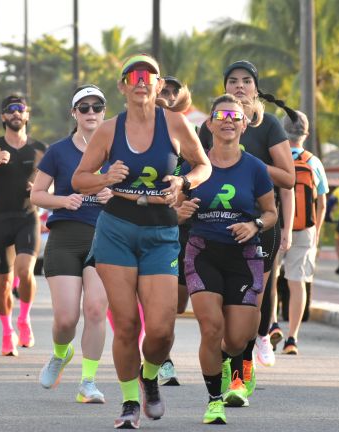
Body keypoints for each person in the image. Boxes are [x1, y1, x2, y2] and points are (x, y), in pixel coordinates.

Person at [72, 53, 211, 429]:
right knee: (128, 324)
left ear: (158, 84)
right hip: (117, 228)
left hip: (161, 232)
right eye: (132, 75)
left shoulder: (176, 123)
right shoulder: (108, 131)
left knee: (162, 328)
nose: (140, 80)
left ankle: (149, 375)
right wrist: (105, 177)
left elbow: (203, 165)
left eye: (148, 75)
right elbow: (79, 179)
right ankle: (130, 403)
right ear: (122, 85)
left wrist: (184, 181)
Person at [198, 60, 295, 392]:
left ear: (256, 88)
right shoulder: (211, 126)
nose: (240, 86)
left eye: (246, 81)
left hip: (259, 223)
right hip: (214, 228)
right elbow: (197, 169)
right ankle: (231, 370)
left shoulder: (267, 125)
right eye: (233, 81)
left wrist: (248, 170)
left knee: (254, 299)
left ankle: (245, 367)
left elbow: (289, 177)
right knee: (221, 305)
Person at [180, 94, 276, 423]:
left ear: (244, 124)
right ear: (209, 124)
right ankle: (214, 399)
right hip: (202, 251)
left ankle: (230, 364)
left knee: (237, 339)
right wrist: (180, 211)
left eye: (235, 116)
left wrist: (255, 224)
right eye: (221, 115)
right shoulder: (194, 166)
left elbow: (271, 212)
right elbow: (171, 209)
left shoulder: (255, 168)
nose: (228, 120)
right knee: (211, 327)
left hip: (244, 256)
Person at [31, 84, 111, 403]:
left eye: (97, 107)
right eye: (84, 107)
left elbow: (138, 192)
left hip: (105, 238)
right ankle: (60, 354)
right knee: (66, 319)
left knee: (95, 310)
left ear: (104, 111)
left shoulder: (117, 151)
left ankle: (88, 383)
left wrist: (113, 194)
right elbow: (36, 194)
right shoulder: (59, 151)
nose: (91, 113)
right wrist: (63, 200)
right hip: (65, 238)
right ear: (74, 113)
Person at [0, 95, 45, 356]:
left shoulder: (40, 148)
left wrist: (40, 187)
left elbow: (53, 181)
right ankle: (7, 332)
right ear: (3, 117)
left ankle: (24, 318)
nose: (16, 113)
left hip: (28, 217)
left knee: (25, 271)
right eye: (10, 110)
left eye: (21, 109)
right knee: (3, 283)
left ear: (27, 115)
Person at [277, 110, 328, 355]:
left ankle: (270, 324)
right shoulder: (313, 162)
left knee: (270, 277)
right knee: (297, 283)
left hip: (276, 225)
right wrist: (316, 234)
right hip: (305, 228)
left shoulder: (275, 157)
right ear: (305, 134)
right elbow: (322, 202)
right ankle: (292, 338)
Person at [157, 75, 193, 386]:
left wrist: (184, 198)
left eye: (173, 91)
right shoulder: (129, 129)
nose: (167, 94)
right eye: (162, 89)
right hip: (146, 225)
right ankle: (163, 360)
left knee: (178, 304)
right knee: (164, 304)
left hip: (186, 227)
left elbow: (204, 168)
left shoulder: (185, 130)